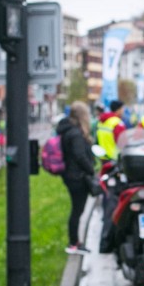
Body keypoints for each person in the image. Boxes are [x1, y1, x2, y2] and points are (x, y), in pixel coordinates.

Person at [57, 101, 96, 254]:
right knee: (77, 211)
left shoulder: (69, 131)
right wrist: (91, 169)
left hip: (71, 175)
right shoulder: (76, 134)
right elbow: (80, 156)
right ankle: (74, 243)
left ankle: (75, 241)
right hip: (77, 177)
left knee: (77, 210)